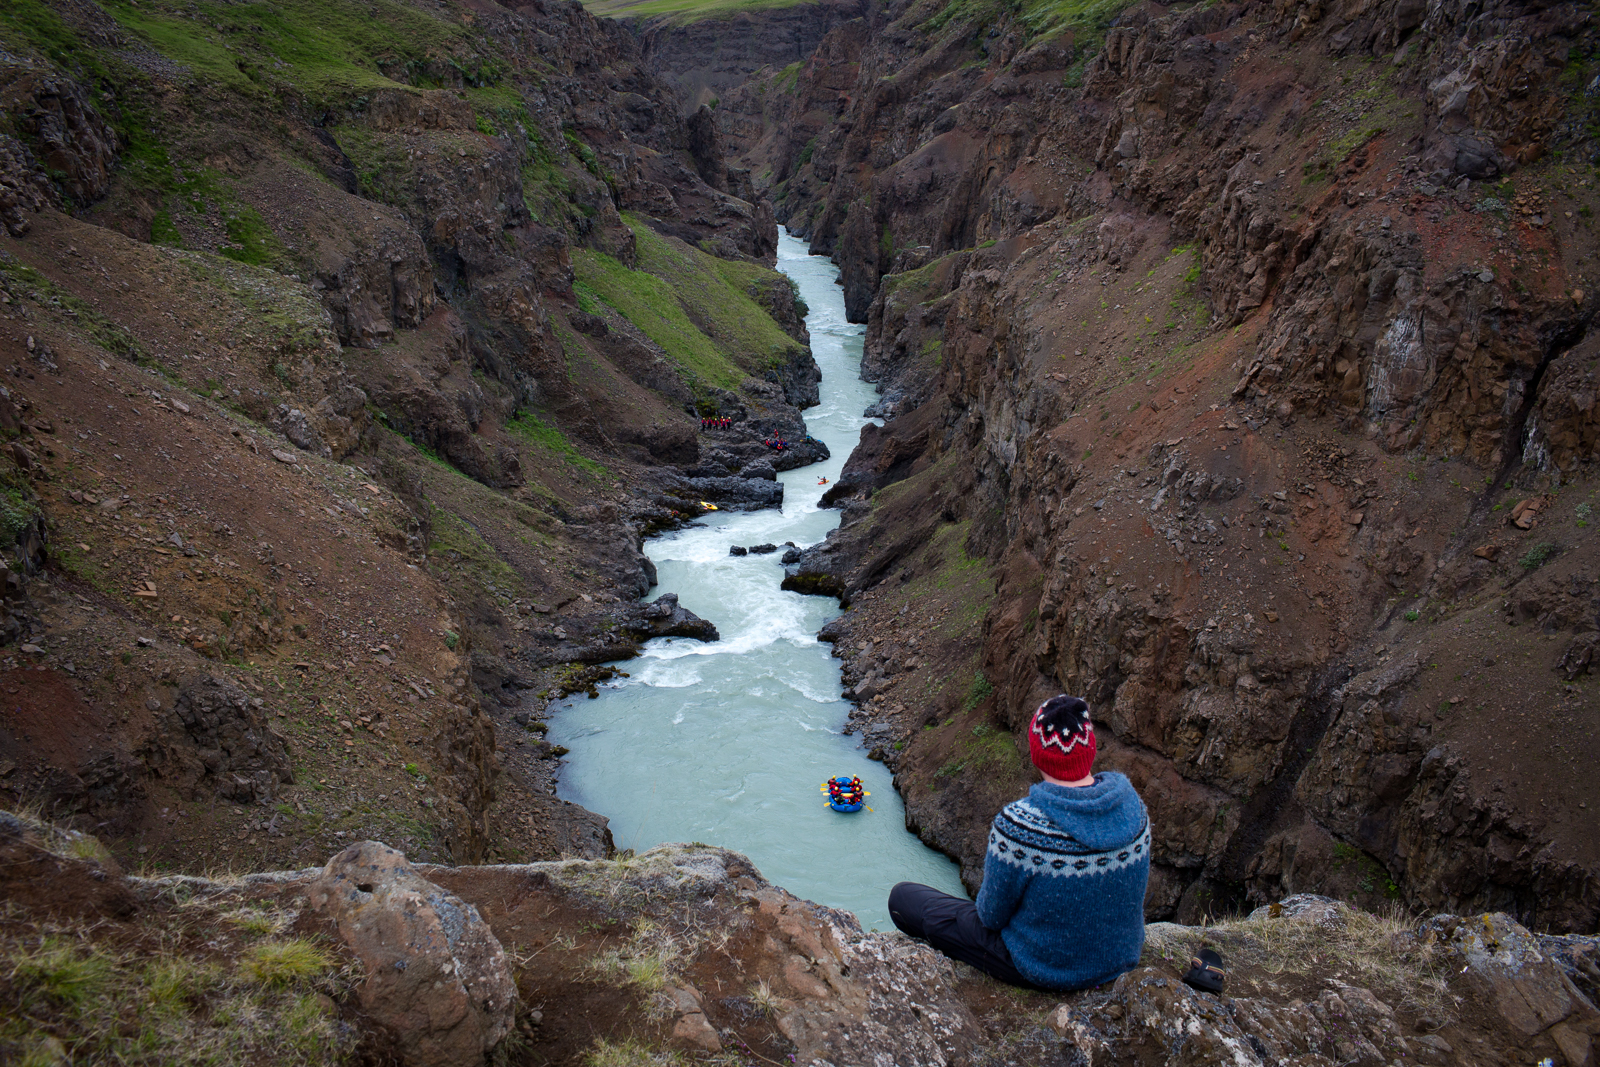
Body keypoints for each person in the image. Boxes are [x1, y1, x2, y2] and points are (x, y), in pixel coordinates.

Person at [888, 694, 1149, 991]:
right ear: (1090, 749)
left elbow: (990, 916)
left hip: (1041, 966)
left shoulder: (1021, 825)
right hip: (1119, 958)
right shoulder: (1134, 808)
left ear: (1036, 753)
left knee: (904, 898)